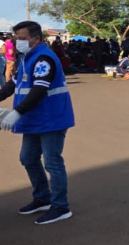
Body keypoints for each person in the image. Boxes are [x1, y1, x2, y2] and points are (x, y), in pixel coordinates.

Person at [0, 20, 76, 225]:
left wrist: (16, 112)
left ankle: (60, 206)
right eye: (16, 38)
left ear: (36, 39)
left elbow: (39, 90)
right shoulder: (27, 58)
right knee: (28, 158)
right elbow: (13, 84)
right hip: (34, 118)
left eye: (22, 38)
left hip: (52, 119)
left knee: (52, 162)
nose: (18, 42)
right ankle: (42, 197)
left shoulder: (44, 58)